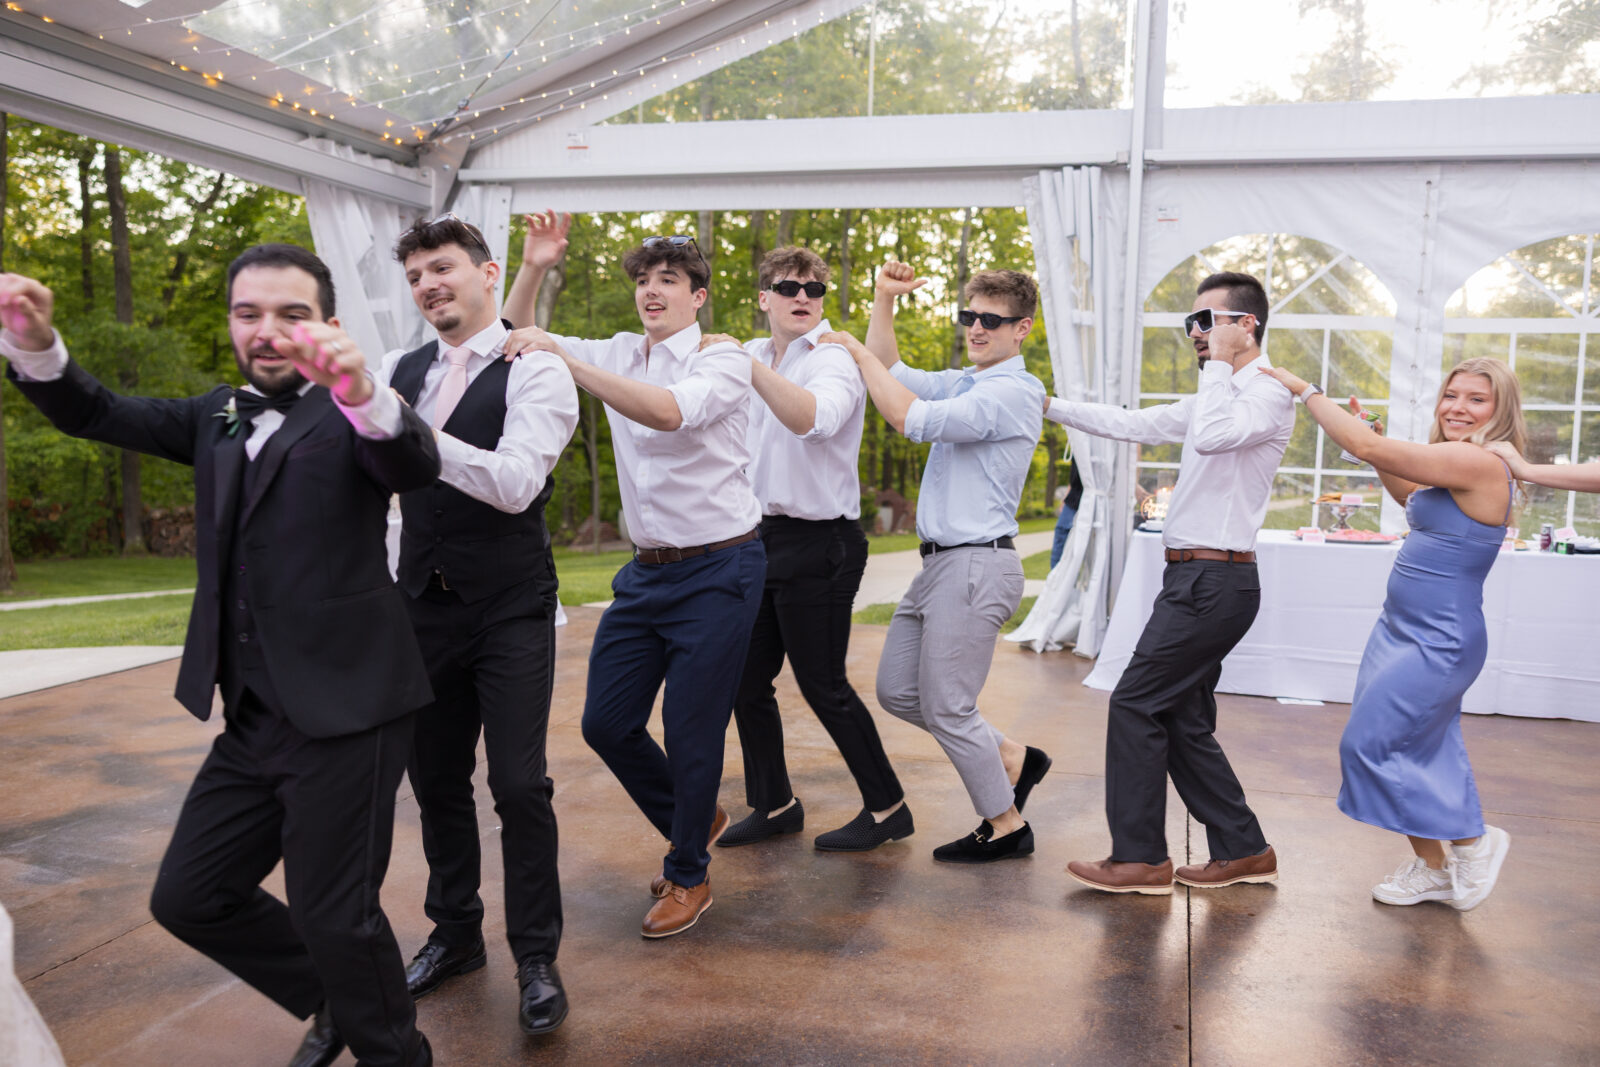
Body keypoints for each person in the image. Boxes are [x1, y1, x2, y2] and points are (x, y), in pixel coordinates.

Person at [0, 249, 439, 1067]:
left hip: (351, 709)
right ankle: (334, 998)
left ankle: (396, 1054)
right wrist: (35, 342)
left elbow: (412, 462)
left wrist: (362, 395)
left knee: (335, 913)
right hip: (253, 711)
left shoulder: (355, 410)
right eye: (248, 314)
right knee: (191, 896)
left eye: (290, 315)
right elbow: (96, 411)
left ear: (329, 327)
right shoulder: (218, 414)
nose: (267, 332)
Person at [504, 226, 764, 938]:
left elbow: (667, 411)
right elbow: (516, 332)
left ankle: (689, 873)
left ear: (699, 296)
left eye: (670, 278)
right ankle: (695, 816)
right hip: (646, 573)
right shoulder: (621, 350)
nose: (652, 289)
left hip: (720, 567)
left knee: (691, 727)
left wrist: (565, 356)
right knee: (606, 722)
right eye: (644, 278)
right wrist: (531, 269)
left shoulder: (726, 359)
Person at [366, 214, 578, 1033]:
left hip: (510, 606)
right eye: (416, 274)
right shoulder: (398, 366)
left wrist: (412, 435)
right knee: (437, 780)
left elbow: (518, 481)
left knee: (520, 785)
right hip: (420, 604)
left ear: (489, 274)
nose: (428, 284)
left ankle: (535, 954)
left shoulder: (537, 368)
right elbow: (374, 476)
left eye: (442, 267)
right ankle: (456, 934)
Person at [1048, 271, 1292, 895]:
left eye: (1207, 321)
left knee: (1134, 701)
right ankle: (1244, 849)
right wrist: (1048, 405)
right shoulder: (1219, 394)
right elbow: (1135, 424)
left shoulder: (1265, 395)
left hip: (1216, 581)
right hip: (1192, 578)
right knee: (1179, 719)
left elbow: (1211, 437)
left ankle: (1140, 858)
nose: (1195, 333)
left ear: (1247, 326)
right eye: (1192, 323)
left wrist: (1219, 366)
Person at [1264, 357, 1523, 911]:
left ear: (1500, 410)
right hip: (1401, 628)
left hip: (1439, 638)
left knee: (1370, 744)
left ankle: (1475, 841)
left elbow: (1368, 450)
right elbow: (1409, 494)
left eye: (1476, 399)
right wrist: (1380, 441)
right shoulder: (1453, 465)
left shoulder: (1474, 460)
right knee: (1424, 749)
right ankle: (1432, 868)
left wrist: (1306, 390)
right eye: (1452, 395)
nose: (1458, 407)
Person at [822, 262, 1052, 864]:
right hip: (940, 569)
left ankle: (1005, 824)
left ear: (1021, 328)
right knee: (898, 691)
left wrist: (852, 352)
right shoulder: (969, 383)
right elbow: (895, 373)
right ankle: (1011, 757)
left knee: (949, 707)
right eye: (968, 316)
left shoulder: (1011, 392)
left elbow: (905, 417)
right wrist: (882, 301)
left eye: (991, 320)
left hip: (977, 566)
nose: (975, 328)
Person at [714, 245, 910, 852]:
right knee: (745, 679)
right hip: (756, 539)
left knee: (822, 683)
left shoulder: (836, 356)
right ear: (763, 297)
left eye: (814, 289)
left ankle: (888, 807)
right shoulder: (745, 355)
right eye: (788, 285)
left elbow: (815, 420)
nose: (803, 296)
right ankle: (774, 804)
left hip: (822, 541)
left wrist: (747, 368)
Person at [1049, 454, 1084, 569]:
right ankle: (1055, 579)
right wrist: (1067, 495)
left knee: (1078, 546)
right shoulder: (1076, 439)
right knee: (1061, 537)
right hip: (1072, 498)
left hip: (1088, 498)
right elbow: (1074, 472)